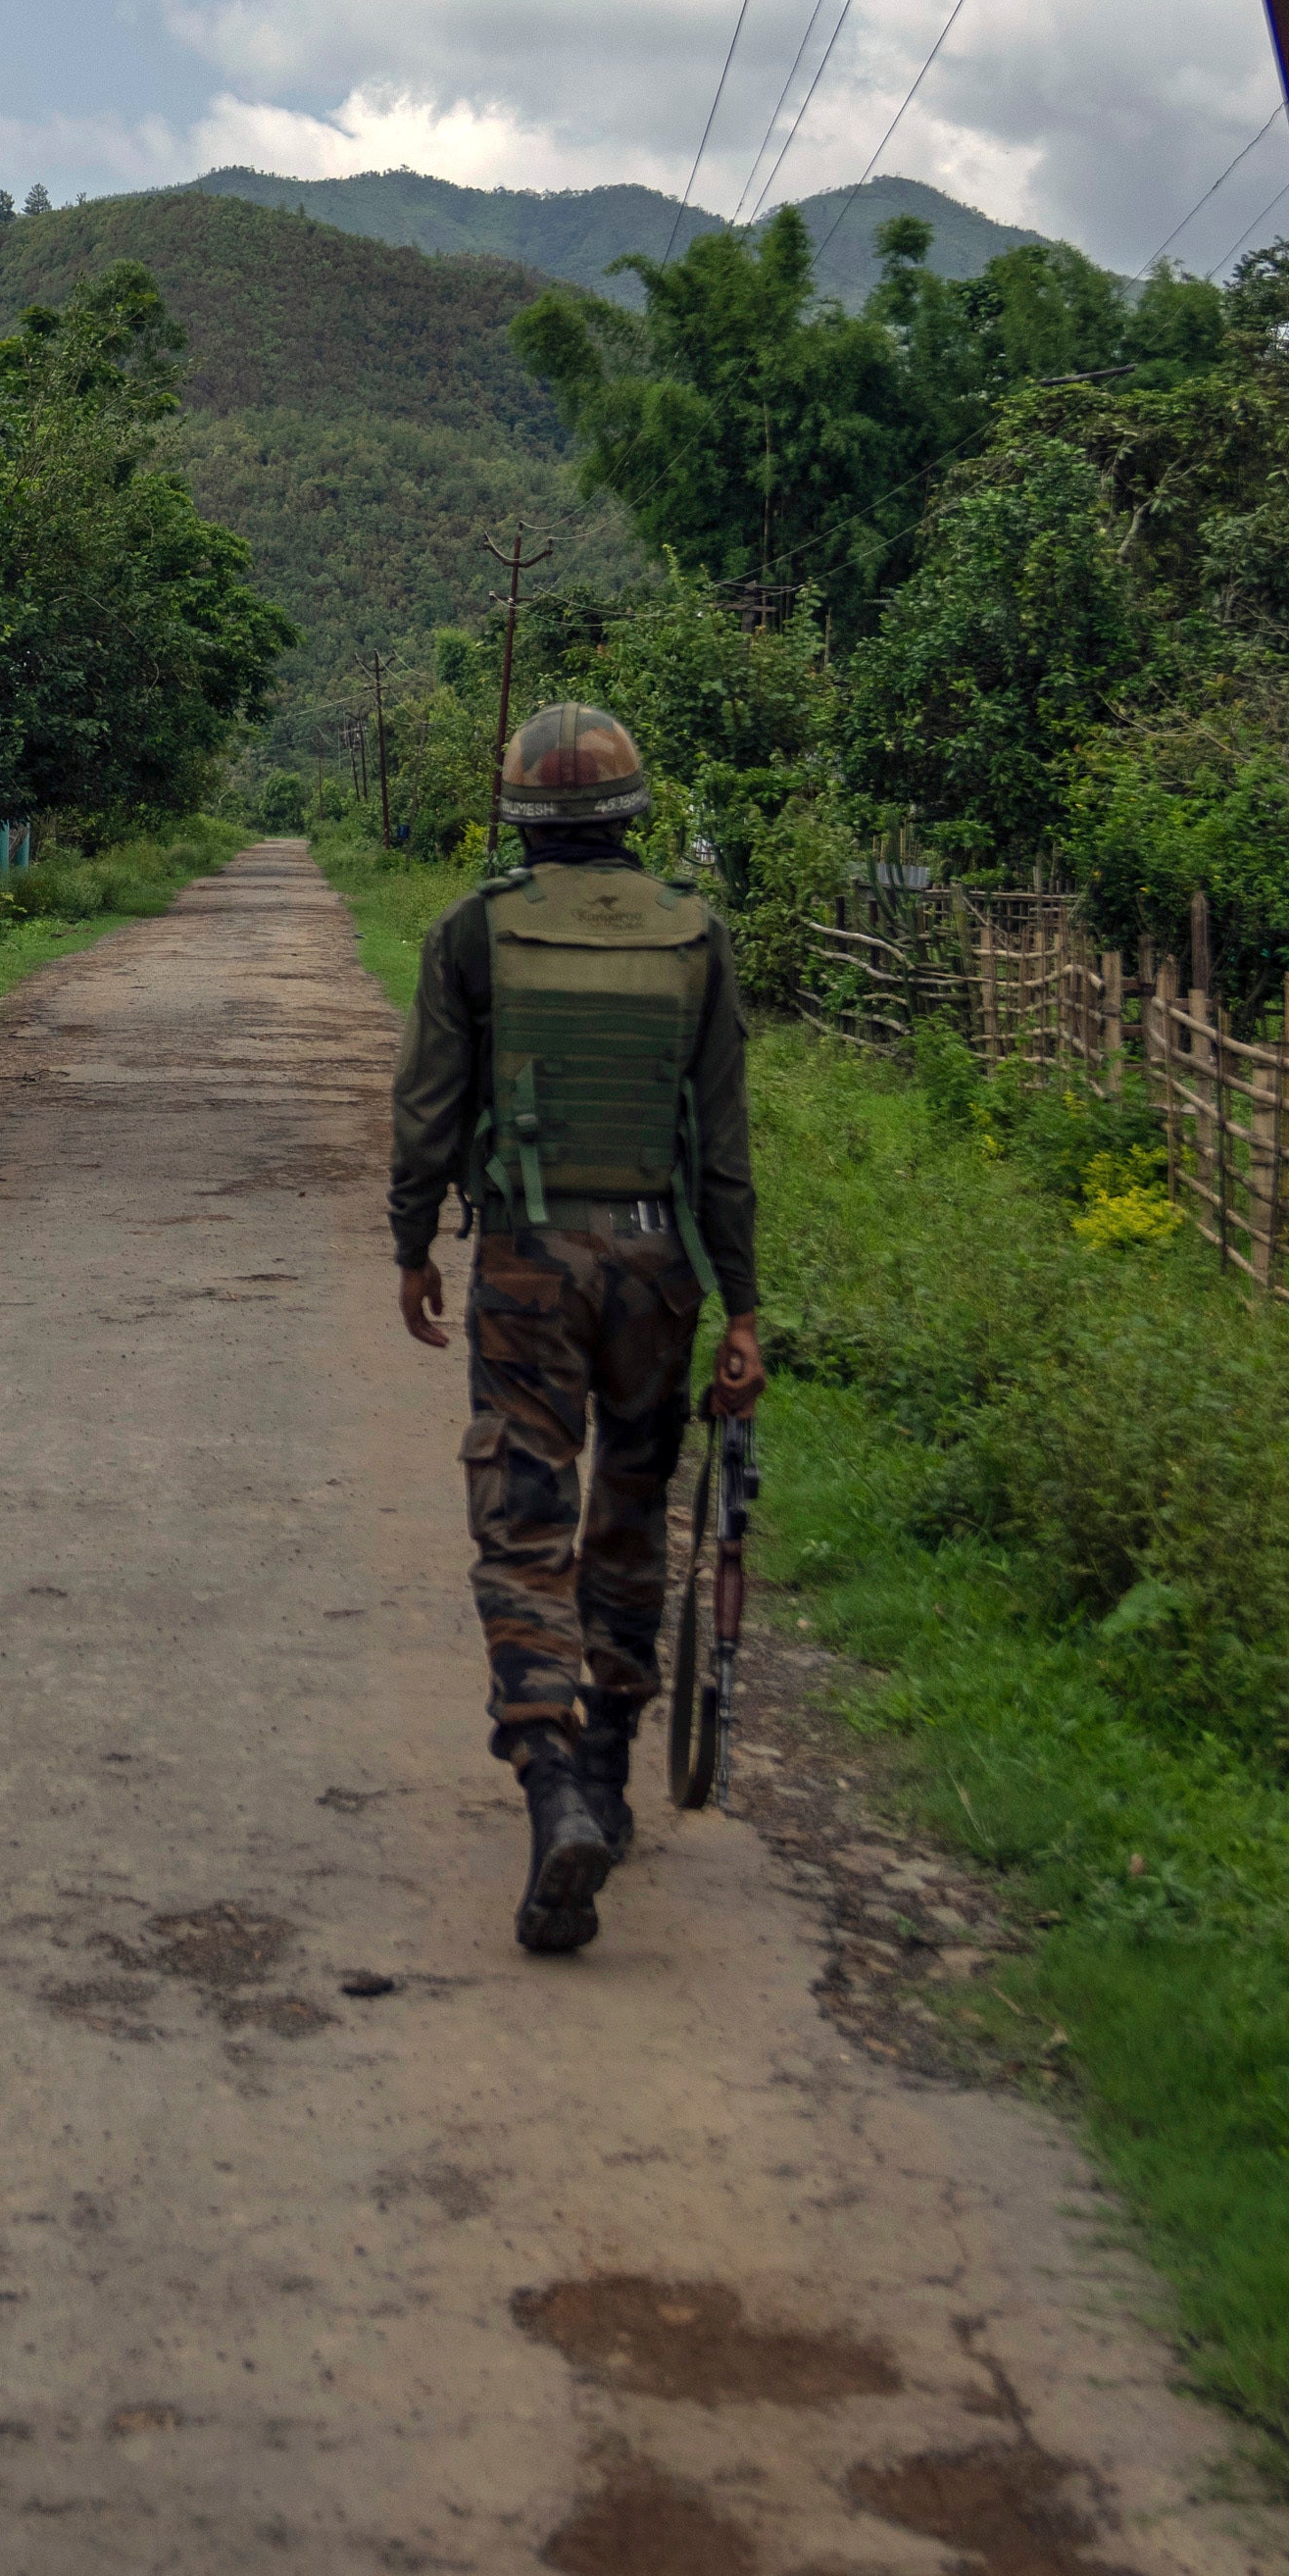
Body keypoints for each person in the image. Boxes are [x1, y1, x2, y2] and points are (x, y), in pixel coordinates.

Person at [385, 701, 763, 1955]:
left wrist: (408, 1244)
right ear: (628, 814)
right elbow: (723, 1153)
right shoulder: (697, 938)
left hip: (528, 1260)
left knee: (525, 1513)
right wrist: (745, 1308)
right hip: (661, 1268)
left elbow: (429, 1110)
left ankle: (553, 1789)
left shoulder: (476, 935)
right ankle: (607, 1772)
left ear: (522, 819)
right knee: (630, 1511)